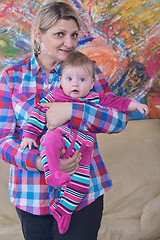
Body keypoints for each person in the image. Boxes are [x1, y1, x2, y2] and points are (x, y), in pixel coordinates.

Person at [0, 2, 147, 240]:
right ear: (38, 34)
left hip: (84, 196)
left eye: (74, 35)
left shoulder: (86, 71)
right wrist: (40, 163)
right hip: (31, 196)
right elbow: (3, 140)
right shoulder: (11, 78)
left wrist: (71, 110)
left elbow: (118, 120)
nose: (69, 42)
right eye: (60, 34)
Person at [20, 51, 149, 234]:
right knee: (49, 140)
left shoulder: (95, 98)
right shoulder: (54, 96)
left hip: (82, 149)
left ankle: (63, 210)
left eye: (82, 80)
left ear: (91, 83)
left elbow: (116, 103)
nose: (75, 83)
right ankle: (54, 172)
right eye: (70, 78)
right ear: (62, 81)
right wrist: (29, 136)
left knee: (81, 184)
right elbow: (38, 115)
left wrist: (135, 105)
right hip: (59, 137)